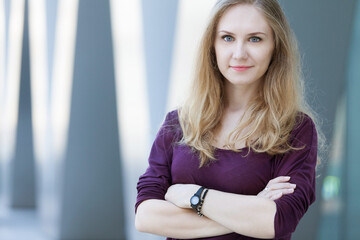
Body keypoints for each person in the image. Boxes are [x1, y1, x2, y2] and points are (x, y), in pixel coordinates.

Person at [135, 0, 323, 239]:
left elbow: (277, 220)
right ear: (211, 46)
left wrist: (194, 196)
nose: (239, 53)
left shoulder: (295, 129)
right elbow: (146, 216)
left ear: (276, 46)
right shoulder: (179, 123)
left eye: (255, 39)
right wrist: (252, 207)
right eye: (227, 38)